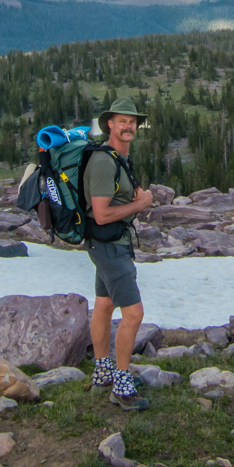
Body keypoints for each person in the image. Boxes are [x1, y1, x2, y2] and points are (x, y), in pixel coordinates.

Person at [84, 96, 154, 411]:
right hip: (108, 244)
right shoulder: (103, 162)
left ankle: (102, 371)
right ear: (110, 124)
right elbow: (100, 214)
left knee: (104, 304)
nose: (128, 126)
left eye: (132, 121)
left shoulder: (117, 156)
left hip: (109, 243)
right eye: (122, 121)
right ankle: (121, 386)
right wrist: (141, 203)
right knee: (133, 313)